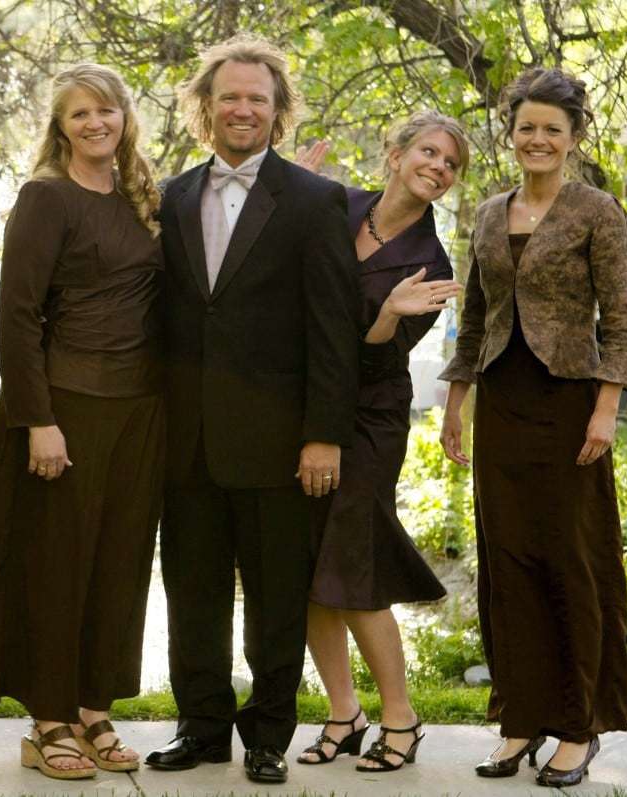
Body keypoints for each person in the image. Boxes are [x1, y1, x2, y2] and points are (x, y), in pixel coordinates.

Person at [143, 35, 360, 784]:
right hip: (188, 442)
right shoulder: (169, 197)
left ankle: (268, 733)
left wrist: (324, 435)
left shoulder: (314, 200)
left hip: (279, 444)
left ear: (278, 112)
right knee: (192, 595)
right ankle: (200, 727)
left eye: (257, 99)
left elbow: (334, 328)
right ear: (205, 106)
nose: (243, 109)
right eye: (229, 96)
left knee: (273, 602)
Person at [438, 67, 627, 788]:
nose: (537, 139)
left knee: (572, 560)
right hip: (501, 401)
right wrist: (453, 402)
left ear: (573, 138)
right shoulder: (487, 210)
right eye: (526, 127)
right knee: (508, 563)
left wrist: (604, 407)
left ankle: (577, 724)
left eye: (551, 130)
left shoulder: (596, 210)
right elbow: (472, 318)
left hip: (568, 406)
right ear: (512, 134)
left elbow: (621, 319)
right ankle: (520, 721)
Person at [0, 64, 165, 781]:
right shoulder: (46, 198)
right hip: (64, 406)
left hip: (141, 412)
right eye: (79, 115)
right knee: (56, 565)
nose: (95, 123)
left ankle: (93, 707)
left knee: (119, 562)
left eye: (105, 110)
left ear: (125, 116)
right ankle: (48, 718)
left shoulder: (144, 198)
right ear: (61, 127)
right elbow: (17, 315)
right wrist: (36, 420)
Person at [292, 112, 467, 773]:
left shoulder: (431, 263)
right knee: (311, 569)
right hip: (306, 413)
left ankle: (401, 716)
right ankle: (344, 712)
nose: (439, 166)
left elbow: (375, 363)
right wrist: (287, 199)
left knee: (354, 566)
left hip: (368, 419)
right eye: (428, 151)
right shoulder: (334, 207)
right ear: (394, 154)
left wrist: (391, 313)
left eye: (451, 163)